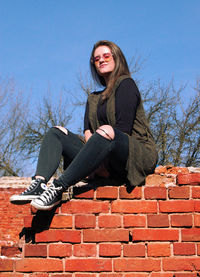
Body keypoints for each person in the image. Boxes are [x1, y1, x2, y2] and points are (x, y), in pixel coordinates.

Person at [10, 40, 158, 211]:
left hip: (132, 154)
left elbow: (122, 130)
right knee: (56, 132)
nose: (101, 60)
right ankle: (38, 184)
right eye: (96, 59)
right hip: (102, 156)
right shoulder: (93, 98)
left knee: (107, 131)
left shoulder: (126, 84)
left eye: (106, 56)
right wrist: (95, 164)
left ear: (117, 58)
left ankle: (58, 187)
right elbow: (88, 133)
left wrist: (99, 163)